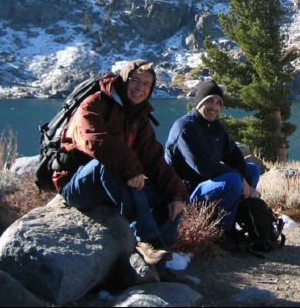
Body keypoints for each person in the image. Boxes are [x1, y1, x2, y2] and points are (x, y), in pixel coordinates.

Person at [55, 59, 188, 264]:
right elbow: (94, 141)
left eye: (146, 84)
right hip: (78, 184)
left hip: (113, 184)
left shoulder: (139, 117)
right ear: (124, 80)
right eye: (135, 80)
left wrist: (176, 194)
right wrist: (131, 169)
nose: (140, 88)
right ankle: (147, 240)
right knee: (105, 165)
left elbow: (154, 159)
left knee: (168, 195)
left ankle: (162, 254)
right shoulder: (94, 103)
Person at [164, 79, 261, 240]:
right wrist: (239, 179)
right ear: (199, 102)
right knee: (233, 180)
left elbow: (233, 154)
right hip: (184, 193)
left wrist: (248, 183)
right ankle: (222, 233)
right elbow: (202, 166)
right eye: (209, 101)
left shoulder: (215, 126)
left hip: (206, 186)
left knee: (252, 170)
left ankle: (236, 217)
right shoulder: (185, 128)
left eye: (218, 103)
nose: (214, 107)